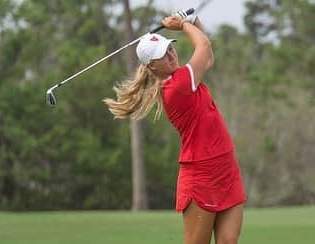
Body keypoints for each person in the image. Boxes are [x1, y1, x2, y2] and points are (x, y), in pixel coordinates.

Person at [103, 14, 247, 244]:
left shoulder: (186, 78)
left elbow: (207, 57)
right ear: (152, 66)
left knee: (229, 241)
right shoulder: (177, 86)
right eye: (163, 55)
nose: (171, 55)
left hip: (226, 168)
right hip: (201, 174)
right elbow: (204, 45)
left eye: (170, 48)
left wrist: (196, 20)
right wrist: (183, 25)